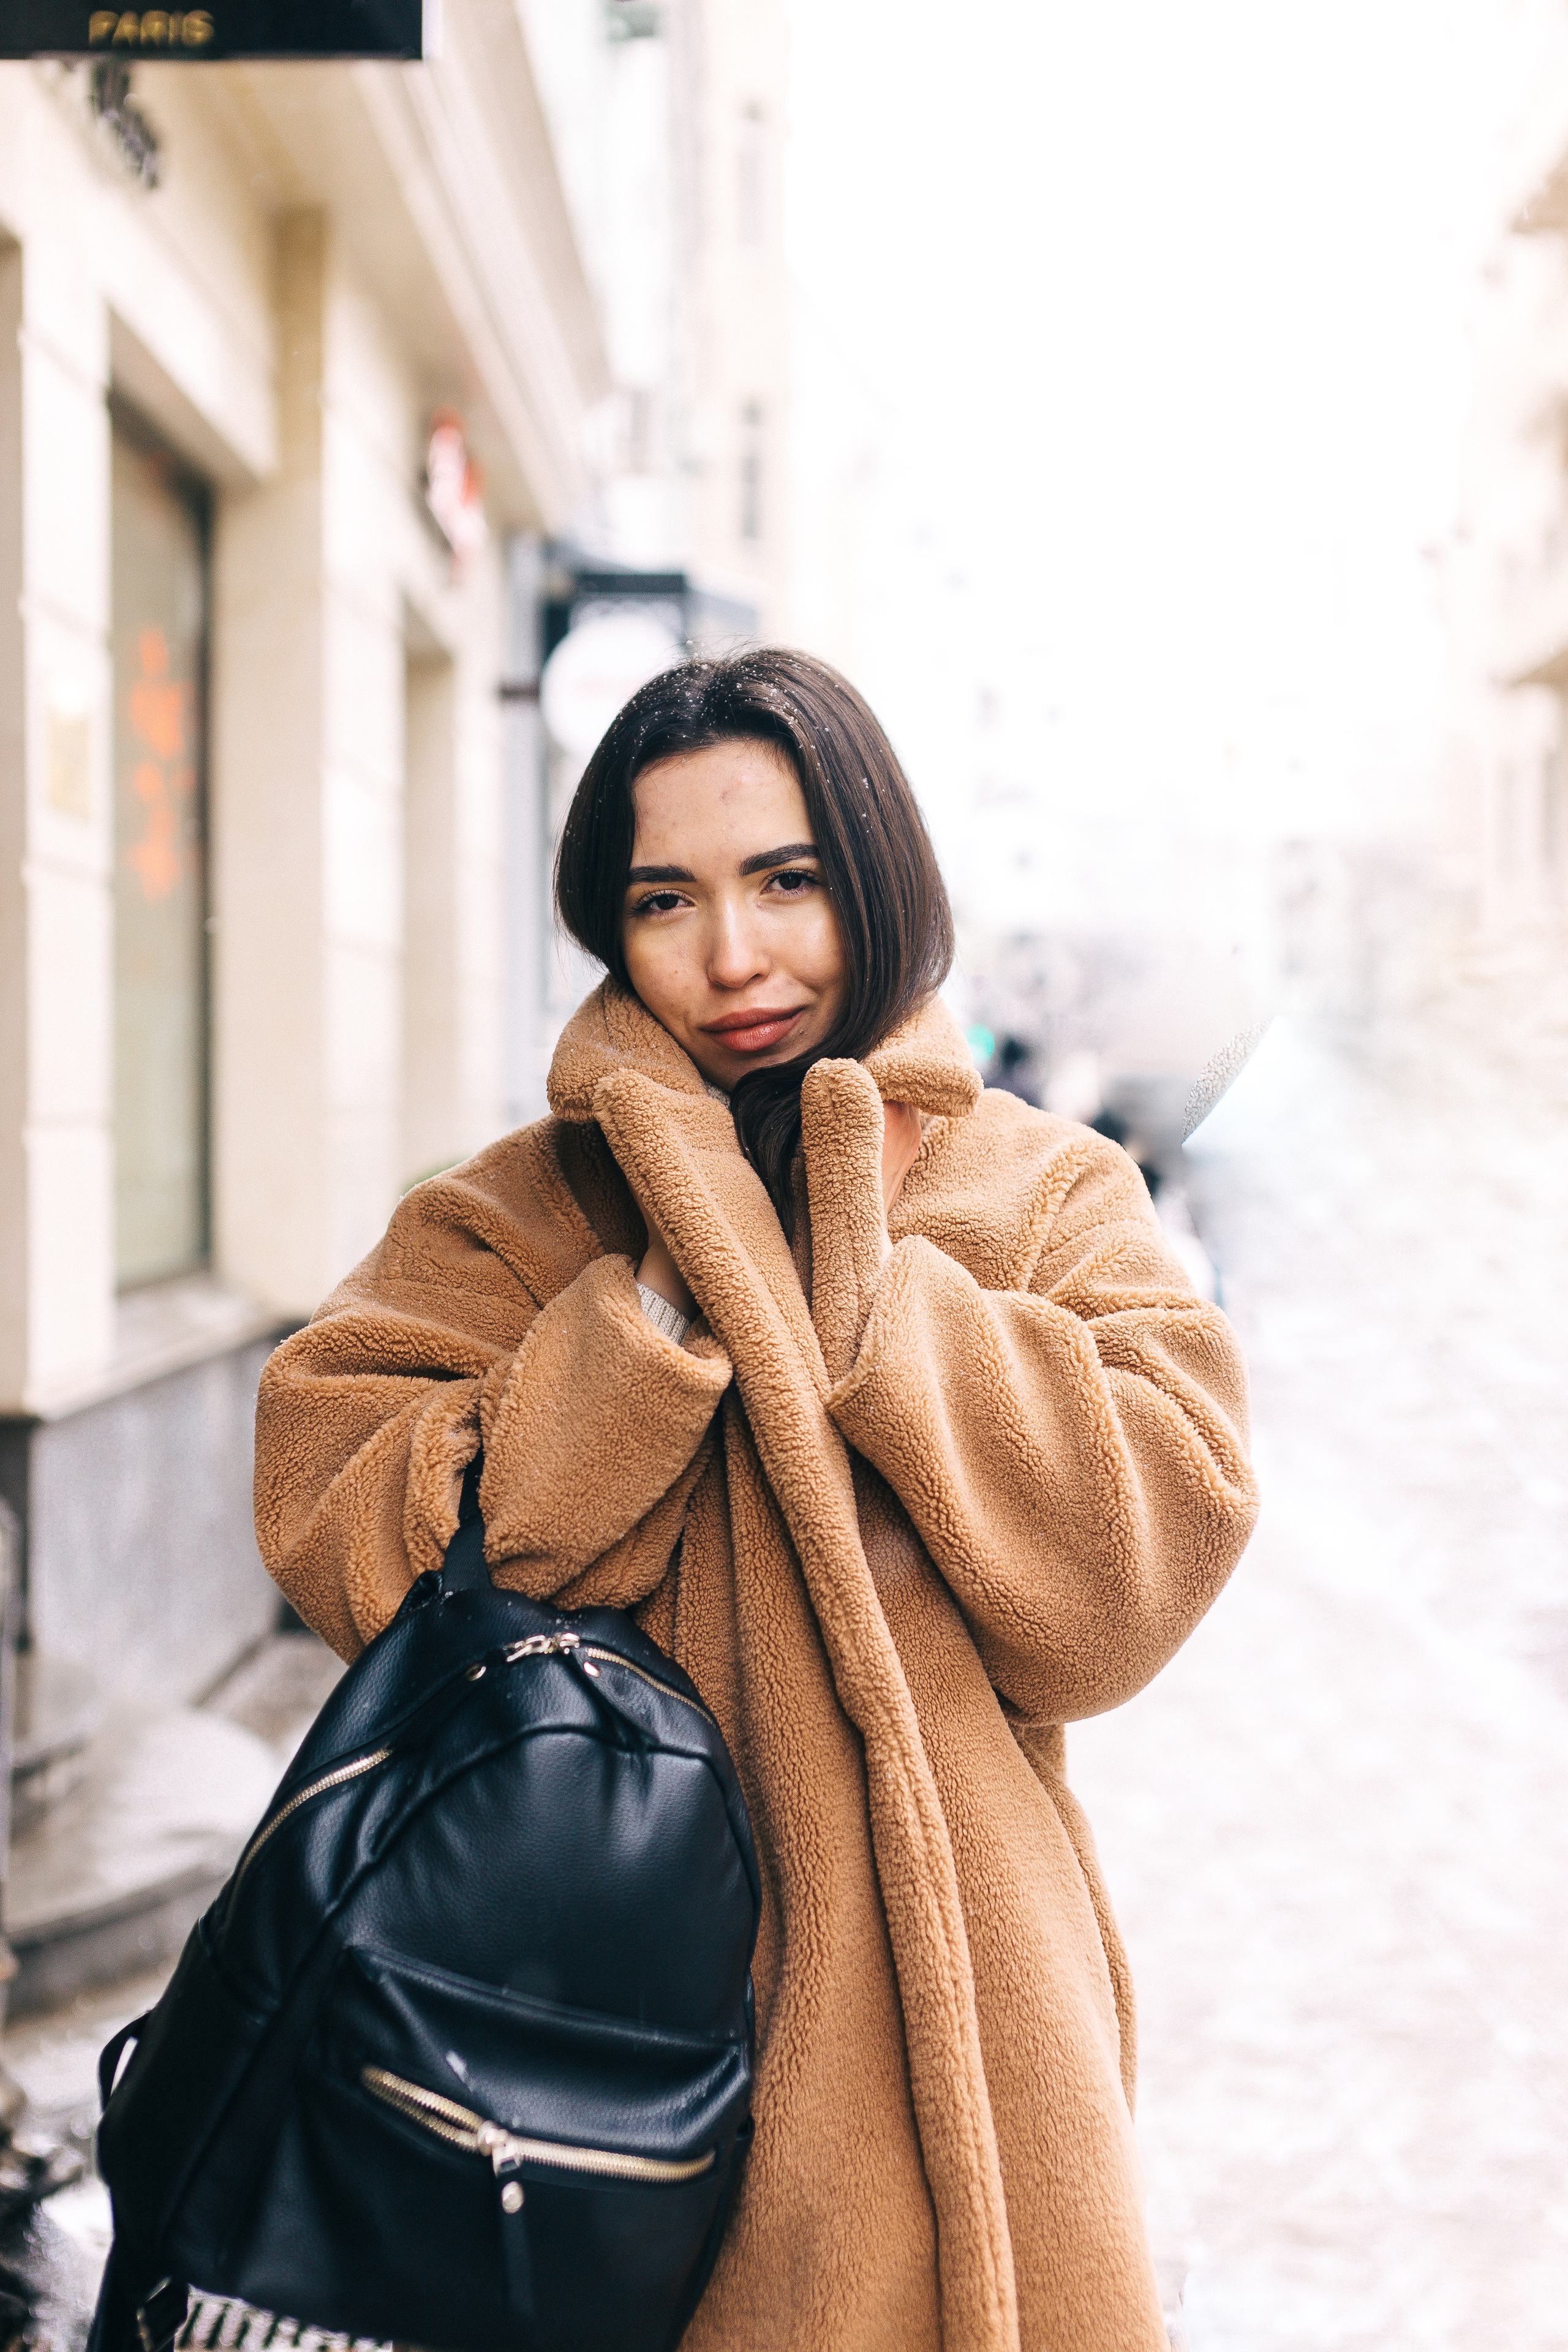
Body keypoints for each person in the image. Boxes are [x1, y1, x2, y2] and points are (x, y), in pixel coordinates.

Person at [254, 648, 1259, 2352]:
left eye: (787, 881)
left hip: (988, 2084)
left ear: (876, 879)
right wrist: (655, 1304)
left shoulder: (1042, 1189)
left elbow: (1133, 1572)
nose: (735, 958)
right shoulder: (524, 1215)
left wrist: (874, 1295)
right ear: (609, 925)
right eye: (668, 898)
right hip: (613, 2084)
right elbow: (337, 1497)